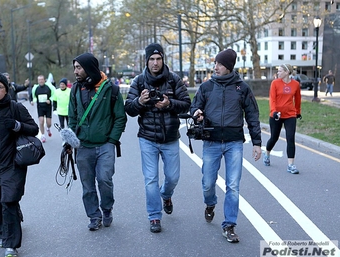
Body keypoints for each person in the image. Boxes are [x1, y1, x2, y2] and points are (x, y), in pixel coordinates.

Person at [190, 49, 262, 243]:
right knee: (207, 183)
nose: (216, 67)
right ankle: (210, 203)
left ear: (229, 67)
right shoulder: (206, 87)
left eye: (219, 64)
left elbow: (253, 115)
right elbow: (194, 106)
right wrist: (196, 112)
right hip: (211, 141)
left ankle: (229, 225)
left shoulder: (242, 88)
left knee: (233, 185)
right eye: (215, 63)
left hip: (234, 143)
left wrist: (257, 143)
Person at [125, 43, 191, 233]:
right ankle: (154, 216)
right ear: (146, 61)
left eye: (158, 59)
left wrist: (169, 104)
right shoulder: (138, 82)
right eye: (152, 59)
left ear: (163, 59)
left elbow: (186, 104)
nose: (155, 63)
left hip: (170, 137)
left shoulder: (173, 80)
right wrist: (140, 101)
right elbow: (128, 109)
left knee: (172, 177)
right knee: (150, 179)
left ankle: (166, 195)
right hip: (147, 138)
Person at [0, 72, 39, 257]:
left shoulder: (15, 107)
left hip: (12, 162)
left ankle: (11, 244)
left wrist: (17, 125)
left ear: (6, 89)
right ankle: (3, 228)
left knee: (9, 200)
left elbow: (34, 129)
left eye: (0, 87)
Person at [68, 53, 127, 231]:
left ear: (89, 68)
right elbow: (72, 117)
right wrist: (71, 141)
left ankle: (107, 209)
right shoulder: (76, 89)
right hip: (83, 146)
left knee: (104, 180)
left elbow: (120, 118)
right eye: (75, 68)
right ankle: (94, 216)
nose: (76, 71)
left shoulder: (110, 89)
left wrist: (112, 140)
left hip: (105, 145)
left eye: (79, 67)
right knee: (87, 186)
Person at [263, 63, 302, 174]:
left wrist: (298, 112)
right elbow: (272, 99)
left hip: (290, 115)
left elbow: (298, 99)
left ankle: (291, 165)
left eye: (280, 71)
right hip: (276, 114)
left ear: (287, 72)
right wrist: (274, 112)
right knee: (274, 138)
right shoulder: (275, 83)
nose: (278, 73)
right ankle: (267, 153)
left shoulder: (295, 84)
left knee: (291, 138)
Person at [31, 75, 56, 142]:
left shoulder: (49, 87)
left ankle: (48, 128)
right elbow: (34, 96)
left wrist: (50, 100)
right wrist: (33, 101)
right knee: (41, 121)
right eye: (39, 80)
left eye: (42, 79)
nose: (41, 81)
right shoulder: (35, 88)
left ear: (44, 80)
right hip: (40, 107)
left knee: (49, 123)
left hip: (48, 107)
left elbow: (54, 95)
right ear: (38, 81)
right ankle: (43, 135)